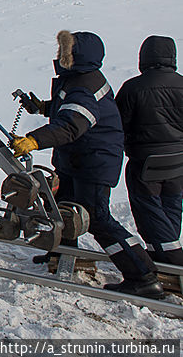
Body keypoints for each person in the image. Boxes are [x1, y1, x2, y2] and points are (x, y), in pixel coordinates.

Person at [11, 30, 163, 298]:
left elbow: (71, 124)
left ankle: (143, 274)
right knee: (62, 205)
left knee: (97, 218)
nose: (58, 56)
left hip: (93, 162)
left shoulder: (83, 86)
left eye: (64, 52)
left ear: (75, 56)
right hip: (78, 159)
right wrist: (42, 107)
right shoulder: (77, 80)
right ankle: (62, 253)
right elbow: (66, 108)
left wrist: (34, 140)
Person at [115, 36, 183, 267]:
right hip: (178, 161)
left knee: (148, 209)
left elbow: (117, 125)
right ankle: (163, 252)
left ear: (144, 57)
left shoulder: (133, 88)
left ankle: (172, 257)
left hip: (145, 162)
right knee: (172, 205)